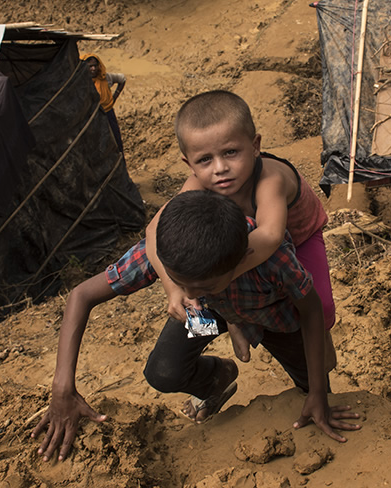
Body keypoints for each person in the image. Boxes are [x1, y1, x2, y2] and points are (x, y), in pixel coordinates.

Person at [31, 191, 361, 462]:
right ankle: (218, 379)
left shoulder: (270, 256)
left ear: (242, 259)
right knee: (163, 371)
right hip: (214, 310)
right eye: (179, 283)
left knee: (312, 392)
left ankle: (312, 388)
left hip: (274, 316)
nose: (186, 296)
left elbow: (311, 308)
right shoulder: (174, 247)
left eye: (199, 286)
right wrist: (62, 390)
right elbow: (81, 295)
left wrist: (318, 392)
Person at [144, 90, 337, 368]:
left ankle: (321, 356)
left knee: (320, 305)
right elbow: (153, 231)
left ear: (255, 145)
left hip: (299, 239)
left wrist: (221, 275)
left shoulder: (270, 178)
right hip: (237, 245)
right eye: (205, 160)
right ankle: (227, 330)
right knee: (196, 286)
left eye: (231, 152)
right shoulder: (197, 184)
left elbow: (270, 236)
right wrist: (174, 288)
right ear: (189, 164)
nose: (220, 168)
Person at [81, 53, 125, 150]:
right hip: (92, 117)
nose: (93, 69)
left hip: (108, 114)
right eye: (90, 66)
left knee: (115, 139)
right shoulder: (81, 83)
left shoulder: (105, 78)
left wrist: (115, 96)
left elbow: (122, 79)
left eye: (95, 66)